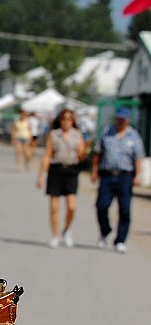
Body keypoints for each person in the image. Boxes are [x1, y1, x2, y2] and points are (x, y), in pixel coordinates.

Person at [91, 107, 145, 253]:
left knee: (125, 209)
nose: (120, 121)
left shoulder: (133, 136)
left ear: (127, 120)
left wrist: (139, 175)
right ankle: (105, 230)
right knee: (101, 206)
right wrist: (94, 171)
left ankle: (120, 240)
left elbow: (138, 157)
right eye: (118, 118)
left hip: (125, 176)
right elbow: (98, 152)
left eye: (123, 119)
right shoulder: (107, 132)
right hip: (107, 174)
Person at [36, 108, 86, 248]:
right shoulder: (54, 135)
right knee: (54, 207)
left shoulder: (77, 135)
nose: (66, 122)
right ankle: (55, 235)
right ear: (60, 120)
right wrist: (41, 175)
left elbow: (82, 154)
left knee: (71, 205)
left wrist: (82, 151)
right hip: (56, 169)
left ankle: (67, 229)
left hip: (71, 170)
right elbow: (47, 155)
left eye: (69, 119)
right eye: (64, 119)